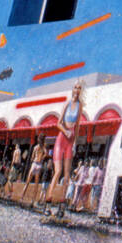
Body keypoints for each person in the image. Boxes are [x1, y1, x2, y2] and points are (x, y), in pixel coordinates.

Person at [42, 81, 88, 220]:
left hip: (70, 141)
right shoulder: (67, 104)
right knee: (58, 172)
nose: (77, 90)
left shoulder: (80, 106)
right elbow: (58, 123)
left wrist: (75, 143)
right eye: (75, 87)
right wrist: (66, 132)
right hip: (61, 139)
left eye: (79, 88)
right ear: (72, 89)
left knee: (67, 175)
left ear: (81, 90)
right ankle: (48, 204)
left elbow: (78, 126)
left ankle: (62, 206)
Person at [23, 138, 48, 206]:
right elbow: (46, 153)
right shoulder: (42, 147)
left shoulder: (37, 147)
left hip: (35, 163)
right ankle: (31, 200)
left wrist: (36, 158)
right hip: (38, 164)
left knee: (29, 181)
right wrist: (41, 157)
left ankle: (23, 197)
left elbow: (32, 156)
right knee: (35, 183)